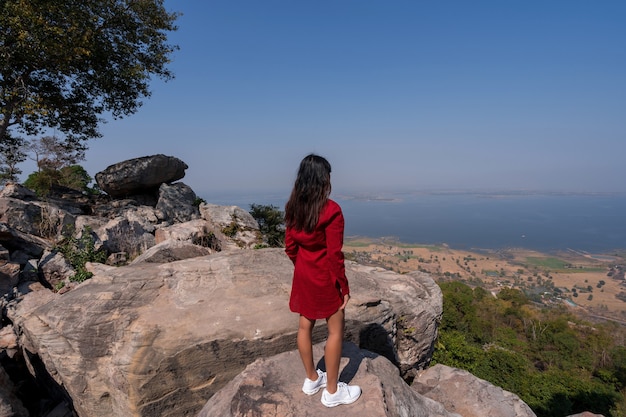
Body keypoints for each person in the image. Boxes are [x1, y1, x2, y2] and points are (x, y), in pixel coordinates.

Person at [284, 154, 361, 407]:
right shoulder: (331, 210)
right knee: (335, 331)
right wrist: (344, 286)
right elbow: (334, 254)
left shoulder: (293, 208)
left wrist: (303, 267)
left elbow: (290, 247)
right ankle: (331, 392)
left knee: (304, 326)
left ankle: (311, 378)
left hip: (304, 275)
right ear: (323, 179)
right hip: (325, 278)